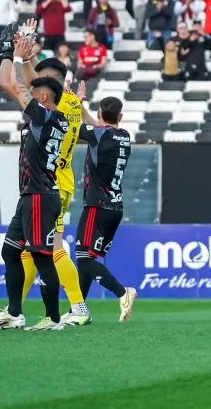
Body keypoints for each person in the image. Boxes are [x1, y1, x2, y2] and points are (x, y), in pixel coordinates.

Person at [2, 22, 92, 325]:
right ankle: (14, 309)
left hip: (51, 183)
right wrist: (25, 49)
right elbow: (31, 80)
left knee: (49, 250)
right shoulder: (69, 103)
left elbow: (23, 83)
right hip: (55, 180)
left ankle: (75, 308)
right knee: (29, 251)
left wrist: (19, 54)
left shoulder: (57, 103)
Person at [0, 35, 68, 331]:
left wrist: (16, 57)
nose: (28, 95)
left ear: (43, 97)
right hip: (31, 195)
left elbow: (14, 85)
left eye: (34, 93)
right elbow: (8, 85)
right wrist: (8, 52)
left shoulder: (45, 116)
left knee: (42, 256)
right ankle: (15, 312)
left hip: (39, 195)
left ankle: (53, 318)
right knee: (11, 252)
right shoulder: (49, 117)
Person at [74, 96, 138, 323]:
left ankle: (123, 293)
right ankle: (79, 311)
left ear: (100, 114)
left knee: (83, 258)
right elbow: (98, 126)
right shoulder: (124, 136)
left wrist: (74, 102)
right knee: (90, 258)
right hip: (115, 207)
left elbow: (73, 125)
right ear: (120, 117)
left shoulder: (98, 134)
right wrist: (81, 106)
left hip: (97, 205)